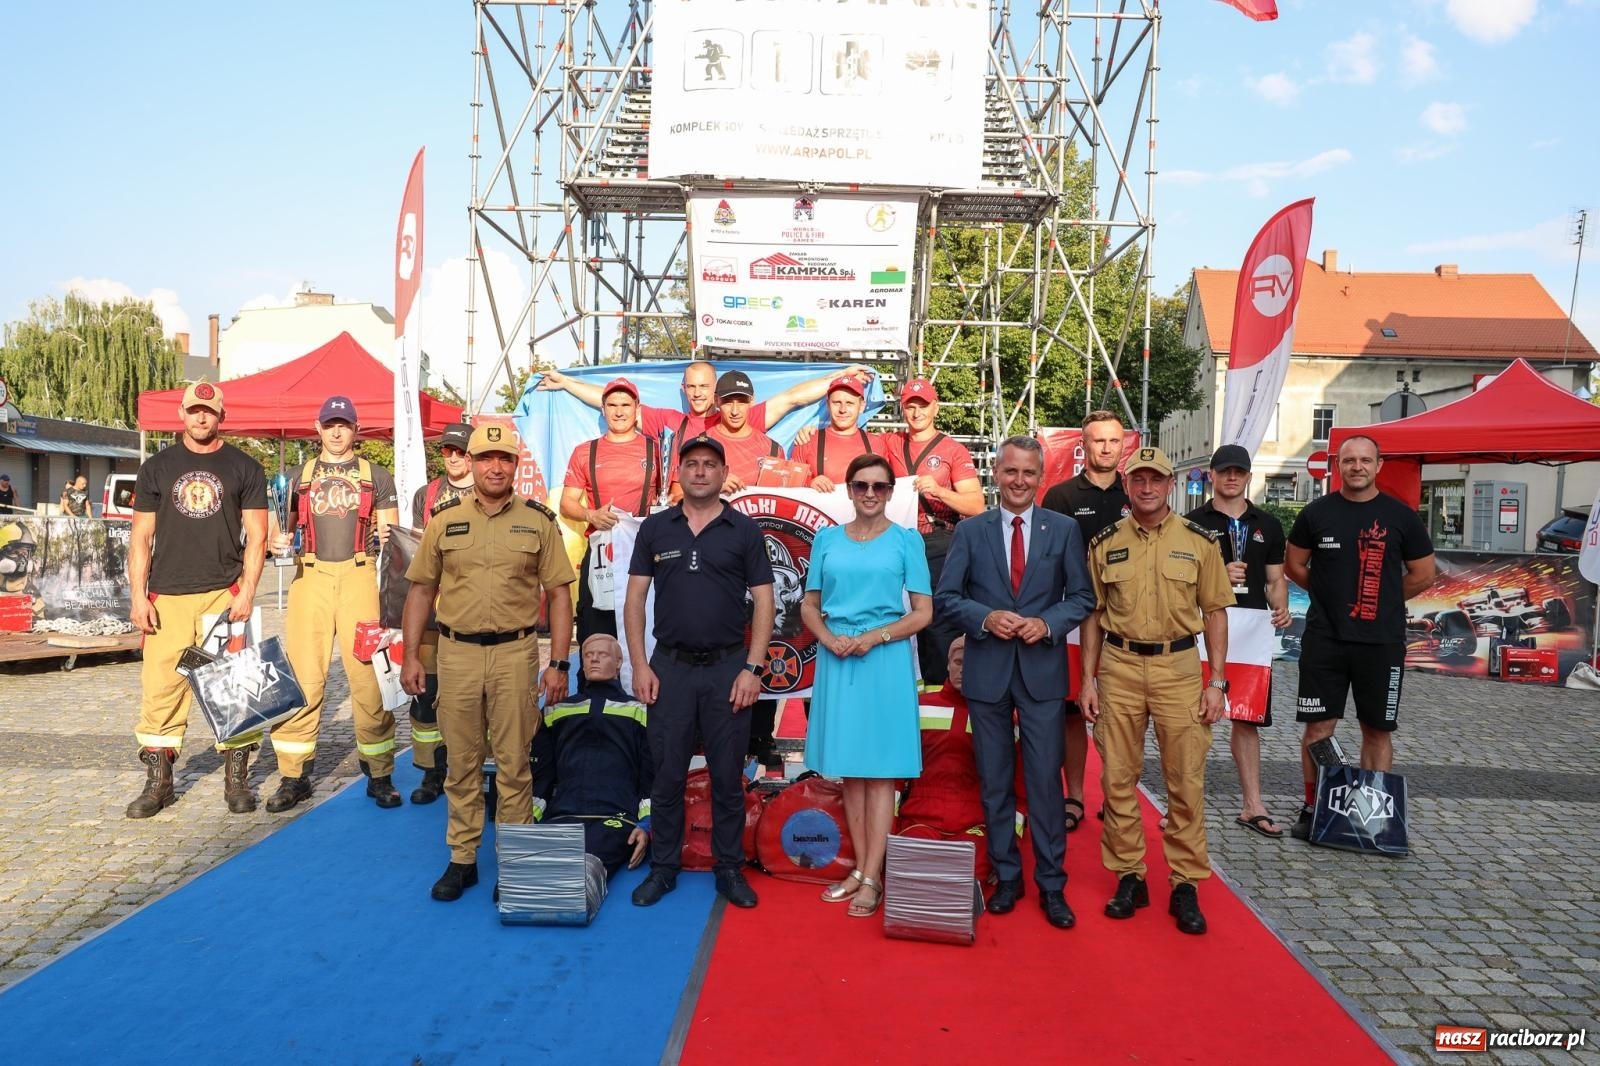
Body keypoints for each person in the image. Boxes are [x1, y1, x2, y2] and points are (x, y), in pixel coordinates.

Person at [401, 422, 576, 901]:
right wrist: (411, 654)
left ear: (514, 466)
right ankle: (463, 859)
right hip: (455, 654)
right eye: (486, 458)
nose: (495, 467)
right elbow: (421, 591)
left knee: (516, 763)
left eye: (504, 459)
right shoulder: (443, 521)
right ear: (471, 464)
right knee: (460, 763)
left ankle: (516, 862)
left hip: (515, 655)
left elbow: (560, 595)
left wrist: (558, 663)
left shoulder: (538, 521)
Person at [935, 436, 1095, 930]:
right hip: (987, 671)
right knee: (996, 779)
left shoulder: (1064, 529)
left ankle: (1051, 884)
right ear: (996, 475)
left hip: (1042, 671)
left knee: (1046, 782)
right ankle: (1007, 876)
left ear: (1039, 476)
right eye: (1010, 472)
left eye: (1028, 473)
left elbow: (1082, 597)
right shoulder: (971, 531)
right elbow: (946, 597)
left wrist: (1047, 624)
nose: (1019, 481)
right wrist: (986, 618)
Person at [1079, 446, 1234, 935]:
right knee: (1117, 780)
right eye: (1138, 480)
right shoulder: (1104, 543)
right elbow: (1093, 617)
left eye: (1156, 480)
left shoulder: (1199, 541)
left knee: (1185, 781)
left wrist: (1217, 682)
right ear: (1127, 486)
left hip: (1179, 669)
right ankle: (1130, 875)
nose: (1147, 488)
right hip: (1121, 668)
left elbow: (1215, 612)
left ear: (1172, 485)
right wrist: (1088, 678)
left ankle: (1185, 882)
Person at [624, 434, 775, 910]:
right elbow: (633, 601)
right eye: (692, 464)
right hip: (670, 667)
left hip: (729, 667)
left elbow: (766, 602)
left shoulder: (744, 529)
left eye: (710, 464)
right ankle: (664, 868)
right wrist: (641, 664)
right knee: (667, 774)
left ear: (721, 471)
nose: (701, 471)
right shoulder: (655, 529)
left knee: (728, 776)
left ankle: (728, 868)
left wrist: (753, 667)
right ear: (680, 471)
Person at [1283, 435, 1436, 840]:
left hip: (1381, 642)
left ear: (1379, 465)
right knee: (1318, 728)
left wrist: (1384, 598)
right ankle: (1313, 806)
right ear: (1338, 464)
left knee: (1377, 730)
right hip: (1324, 639)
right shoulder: (1317, 513)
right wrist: (1329, 592)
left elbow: (1423, 573)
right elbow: (1294, 564)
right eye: (1349, 460)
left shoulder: (1401, 516)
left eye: (1365, 460)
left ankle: (1370, 814)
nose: (1357, 467)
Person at [125, 382, 268, 817]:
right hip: (166, 596)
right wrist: (137, 596)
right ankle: (159, 783)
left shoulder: (245, 467)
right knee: (161, 691)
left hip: (222, 595)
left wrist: (247, 591)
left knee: (233, 689)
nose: (200, 418)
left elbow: (258, 537)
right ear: (181, 415)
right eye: (193, 411)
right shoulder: (157, 468)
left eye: (208, 411)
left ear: (220, 415)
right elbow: (140, 538)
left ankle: (236, 780)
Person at [800, 453, 933, 917]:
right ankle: (859, 867)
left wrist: (874, 637)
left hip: (884, 659)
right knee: (850, 770)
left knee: (879, 774)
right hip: (838, 659)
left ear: (891, 492)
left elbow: (922, 612)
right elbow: (809, 605)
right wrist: (830, 639)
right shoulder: (826, 539)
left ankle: (873, 876)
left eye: (879, 486)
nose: (870, 494)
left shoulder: (906, 541)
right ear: (849, 490)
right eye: (861, 485)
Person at [265, 396, 401, 812]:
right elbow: (277, 531)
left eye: (344, 424)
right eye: (330, 425)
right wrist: (276, 541)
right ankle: (294, 774)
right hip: (311, 577)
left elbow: (393, 538)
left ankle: (379, 772)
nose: (336, 432)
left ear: (355, 429)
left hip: (360, 576)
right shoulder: (293, 477)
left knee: (367, 677)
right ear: (318, 428)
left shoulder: (377, 476)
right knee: (305, 677)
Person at [1185, 444, 1292, 838]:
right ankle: (1184, 805)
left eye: (1239, 472)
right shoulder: (1192, 522)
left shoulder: (1268, 523)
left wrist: (1280, 608)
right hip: (1203, 626)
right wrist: (1215, 574)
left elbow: (1275, 578)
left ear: (1248, 476)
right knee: (1196, 717)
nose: (1231, 477)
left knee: (1247, 719)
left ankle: (1253, 804)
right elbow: (1179, 581)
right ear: (1211, 475)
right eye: (1224, 471)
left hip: (1250, 628)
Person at [1040, 409, 1131, 833]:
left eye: (1114, 441)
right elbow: (1045, 560)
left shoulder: (1137, 494)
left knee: (1123, 714)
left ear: (1122, 445)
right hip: (1075, 619)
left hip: (1127, 621)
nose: (1107, 448)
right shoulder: (1060, 496)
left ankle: (1118, 797)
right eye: (1099, 441)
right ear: (1084, 445)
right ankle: (1074, 795)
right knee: (1074, 712)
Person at [537, 358, 873, 467]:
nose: (698, 394)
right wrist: (567, 383)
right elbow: (614, 403)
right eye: (692, 388)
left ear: (716, 390)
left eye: (704, 387)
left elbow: (793, 398)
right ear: (684, 390)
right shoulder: (672, 421)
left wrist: (840, 376)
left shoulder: (739, 414)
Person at [885, 378, 984, 687]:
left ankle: (940, 698)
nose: (916, 413)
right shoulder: (888, 442)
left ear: (935, 407)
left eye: (922, 406)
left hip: (938, 543)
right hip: (895, 544)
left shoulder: (953, 450)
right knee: (894, 617)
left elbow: (977, 506)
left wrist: (940, 491)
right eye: (910, 406)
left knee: (938, 623)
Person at [530, 634, 652, 877]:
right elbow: (542, 775)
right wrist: (530, 821)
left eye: (603, 654)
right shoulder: (556, 710)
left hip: (616, 817)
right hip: (563, 814)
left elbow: (651, 775)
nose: (594, 659)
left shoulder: (640, 710)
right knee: (514, 884)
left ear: (618, 663)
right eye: (588, 655)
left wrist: (646, 825)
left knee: (580, 873)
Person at [402, 420, 476, 805]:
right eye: (447, 451)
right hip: (432, 608)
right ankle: (432, 772)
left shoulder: (486, 492)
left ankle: (469, 767)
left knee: (464, 694)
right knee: (427, 691)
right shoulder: (427, 493)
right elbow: (416, 548)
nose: (453, 458)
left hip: (470, 606)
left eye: (461, 452)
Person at [559, 378, 662, 645]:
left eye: (626, 405)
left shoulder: (657, 450)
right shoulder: (584, 452)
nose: (619, 411)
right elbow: (567, 503)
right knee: (597, 636)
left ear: (637, 408)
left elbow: (670, 497)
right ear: (603, 409)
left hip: (645, 553)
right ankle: (595, 688)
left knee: (646, 630)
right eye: (612, 405)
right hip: (601, 554)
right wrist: (590, 515)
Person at [789, 376, 880, 493]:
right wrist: (809, 483)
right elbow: (790, 485)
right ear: (828, 405)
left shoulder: (877, 443)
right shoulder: (806, 441)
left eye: (849, 403)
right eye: (837, 402)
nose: (843, 409)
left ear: (861, 406)